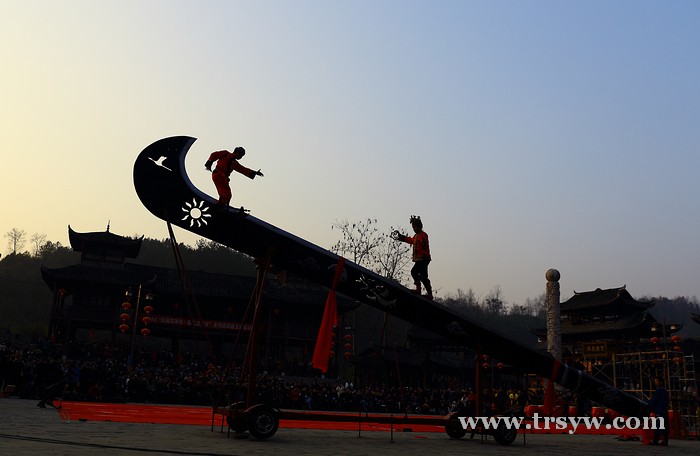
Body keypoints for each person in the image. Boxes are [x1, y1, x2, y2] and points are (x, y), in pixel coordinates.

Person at [392, 215, 432, 299]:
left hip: (423, 259)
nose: (414, 229)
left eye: (415, 227)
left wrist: (422, 245)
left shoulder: (423, 235)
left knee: (416, 273)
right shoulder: (416, 236)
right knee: (421, 275)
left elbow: (424, 245)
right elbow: (410, 240)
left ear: (419, 226)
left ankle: (424, 291)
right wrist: (402, 237)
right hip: (419, 259)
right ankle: (424, 291)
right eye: (413, 227)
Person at [648, 377, 669, 446]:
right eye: (655, 381)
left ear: (661, 382)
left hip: (659, 410)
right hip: (664, 410)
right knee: (664, 426)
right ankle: (665, 441)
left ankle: (655, 441)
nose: (655, 382)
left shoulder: (659, 391)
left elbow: (654, 400)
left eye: (657, 381)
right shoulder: (664, 390)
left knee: (657, 426)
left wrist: (650, 406)